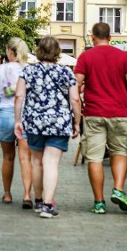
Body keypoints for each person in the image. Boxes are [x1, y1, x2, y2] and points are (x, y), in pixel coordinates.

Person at [74, 22, 127, 215]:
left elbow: (76, 85)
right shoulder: (123, 56)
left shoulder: (85, 57)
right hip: (119, 113)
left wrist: (77, 104)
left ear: (92, 37)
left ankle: (99, 202)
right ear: (110, 37)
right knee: (120, 152)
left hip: (94, 114)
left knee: (95, 158)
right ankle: (119, 190)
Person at [14, 36, 81, 219]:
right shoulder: (66, 73)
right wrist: (77, 122)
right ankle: (48, 205)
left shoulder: (27, 71)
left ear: (39, 51)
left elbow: (19, 96)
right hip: (59, 123)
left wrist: (18, 120)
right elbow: (75, 99)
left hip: (34, 122)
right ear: (57, 52)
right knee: (51, 163)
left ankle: (37, 200)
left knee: (37, 162)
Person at [0, 38, 33, 208]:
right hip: (25, 114)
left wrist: (5, 90)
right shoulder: (29, 69)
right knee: (26, 158)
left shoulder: (1, 69)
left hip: (6, 113)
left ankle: (7, 194)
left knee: (8, 157)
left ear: (10, 51)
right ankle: (27, 195)